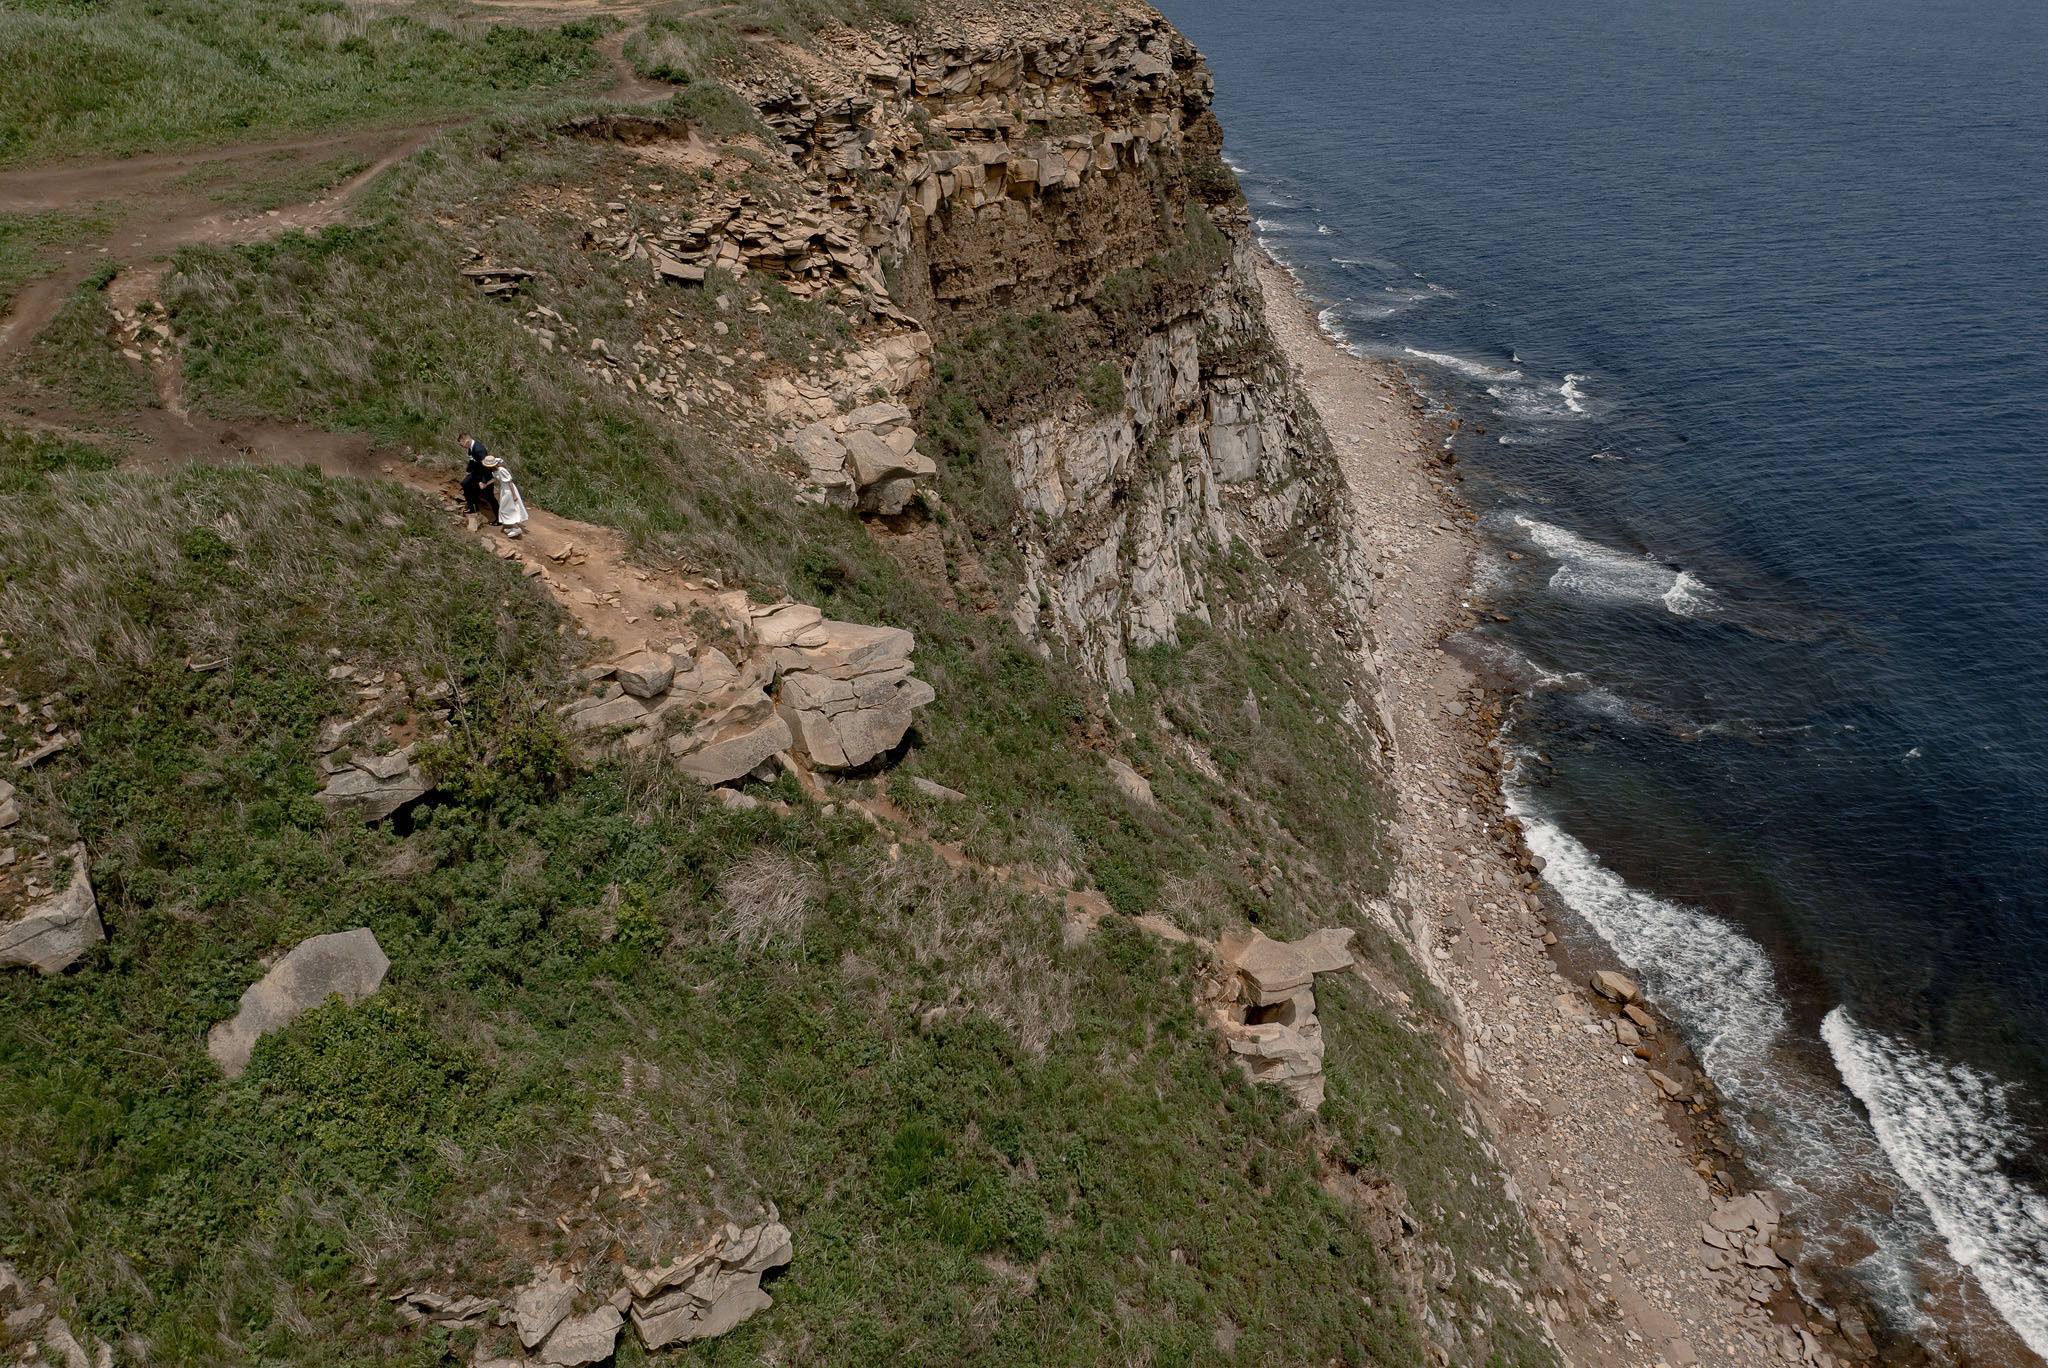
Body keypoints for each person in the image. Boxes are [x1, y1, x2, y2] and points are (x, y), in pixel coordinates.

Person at [484, 454, 529, 539]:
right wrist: (486, 484)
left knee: (505, 509)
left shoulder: (501, 470)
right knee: (505, 509)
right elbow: (495, 478)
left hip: (508, 490)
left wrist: (514, 495)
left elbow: (510, 482)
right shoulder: (494, 471)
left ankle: (516, 528)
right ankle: (510, 526)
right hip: (504, 490)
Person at [458, 434, 497, 520]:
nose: (461, 446)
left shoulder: (478, 449)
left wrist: (483, 481)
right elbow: (472, 461)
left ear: (467, 442)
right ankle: (473, 507)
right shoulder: (471, 448)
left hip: (485, 475)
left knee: (489, 496)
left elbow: (485, 466)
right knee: (465, 484)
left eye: (462, 444)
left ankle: (498, 518)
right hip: (476, 473)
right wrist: (468, 471)